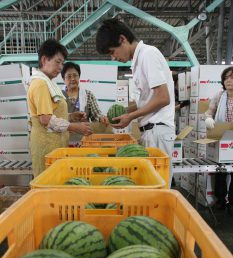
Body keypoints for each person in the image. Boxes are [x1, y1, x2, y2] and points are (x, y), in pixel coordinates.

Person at [96, 18, 176, 186]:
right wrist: (121, 113)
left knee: (158, 189)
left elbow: (163, 98)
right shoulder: (138, 61)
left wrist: (130, 116)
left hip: (158, 131)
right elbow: (144, 101)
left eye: (112, 52)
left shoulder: (148, 54)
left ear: (122, 39)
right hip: (151, 131)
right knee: (149, 187)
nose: (113, 58)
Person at [27, 39, 92, 177]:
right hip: (46, 146)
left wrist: (71, 116)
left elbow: (51, 113)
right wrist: (75, 127)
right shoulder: (40, 84)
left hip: (53, 144)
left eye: (62, 63)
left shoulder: (48, 83)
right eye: (58, 62)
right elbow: (45, 119)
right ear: (44, 60)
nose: (60, 67)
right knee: (48, 184)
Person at [205, 66, 233, 215]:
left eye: (232, 77)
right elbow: (209, 111)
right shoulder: (219, 96)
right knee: (221, 171)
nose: (229, 80)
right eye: (226, 78)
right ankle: (220, 200)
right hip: (222, 138)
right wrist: (208, 118)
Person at [61, 62, 108, 145]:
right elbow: (56, 118)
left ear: (79, 77)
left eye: (75, 75)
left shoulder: (88, 95)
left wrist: (101, 118)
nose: (72, 79)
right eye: (69, 76)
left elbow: (96, 114)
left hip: (84, 140)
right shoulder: (59, 97)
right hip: (64, 140)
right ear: (63, 78)